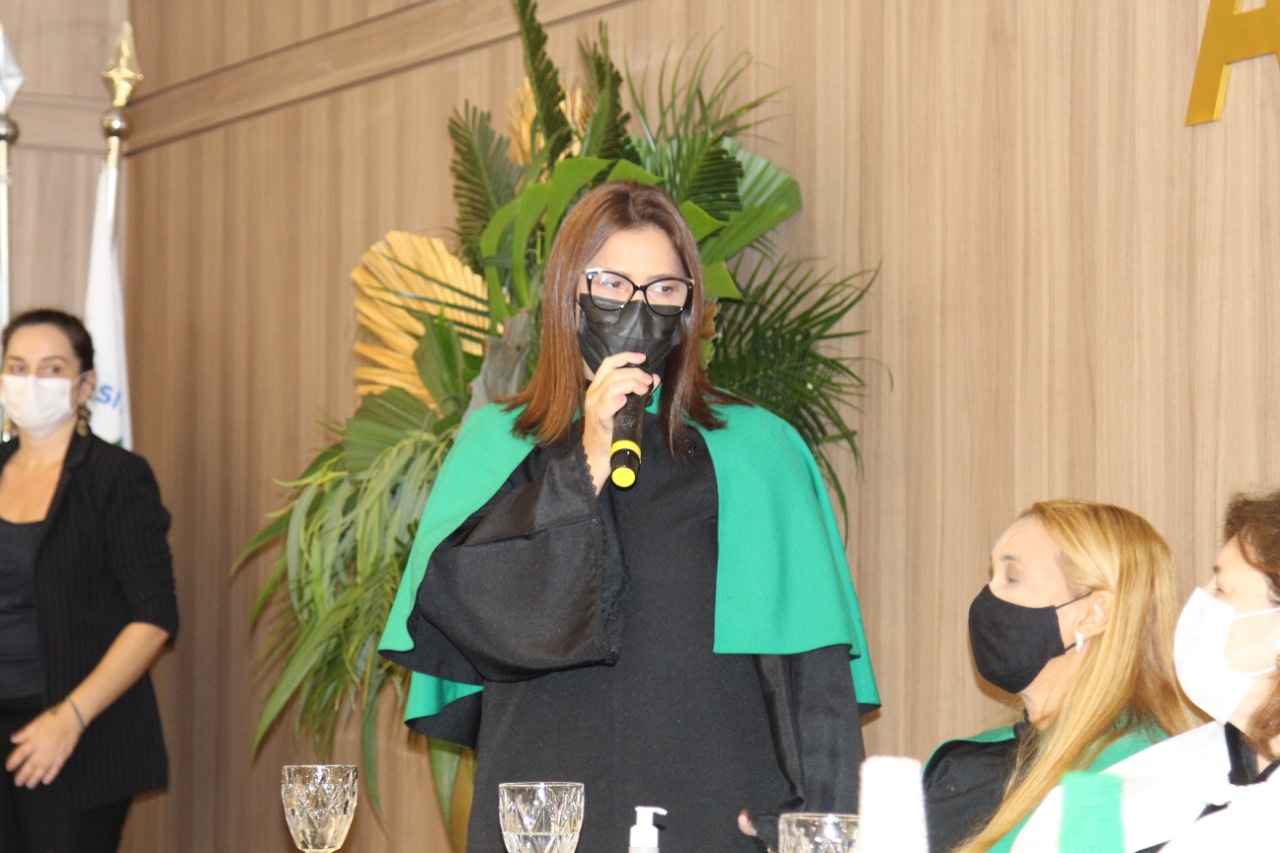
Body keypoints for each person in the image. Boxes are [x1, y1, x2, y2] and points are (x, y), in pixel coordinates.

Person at [380, 180, 878, 853]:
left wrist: (821, 831)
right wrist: (582, 463)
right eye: (612, 284)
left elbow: (817, 688)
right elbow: (464, 614)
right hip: (545, 819)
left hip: (716, 818)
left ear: (690, 309)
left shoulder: (759, 453)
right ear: (568, 296)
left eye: (664, 289)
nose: (638, 309)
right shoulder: (501, 444)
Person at [0, 309, 178, 853]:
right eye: (17, 367)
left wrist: (70, 718)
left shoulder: (115, 477)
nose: (31, 382)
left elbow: (153, 618)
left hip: (78, 733)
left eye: (51, 369)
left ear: (84, 386)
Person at [923, 500, 1193, 853]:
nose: (987, 597)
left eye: (1011, 578)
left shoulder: (1138, 780)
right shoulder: (963, 766)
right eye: (991, 576)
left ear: (1094, 613)